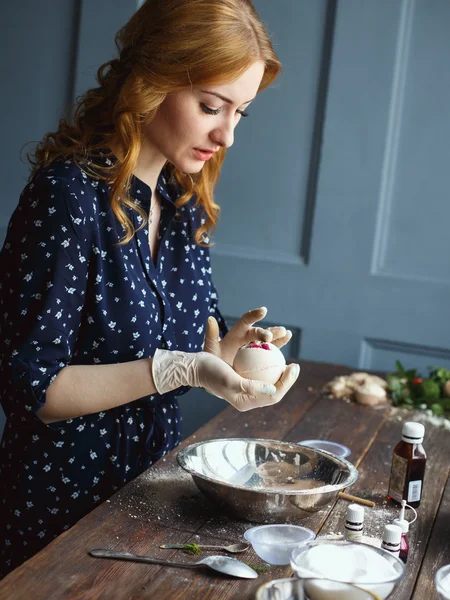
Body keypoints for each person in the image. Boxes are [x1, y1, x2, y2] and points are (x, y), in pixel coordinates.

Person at [0, 0, 300, 577]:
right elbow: (32, 390)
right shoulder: (67, 198)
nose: (228, 135)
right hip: (59, 518)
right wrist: (180, 371)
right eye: (212, 106)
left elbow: (196, 349)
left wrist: (234, 351)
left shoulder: (181, 205)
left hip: (151, 507)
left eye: (242, 113)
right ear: (151, 82)